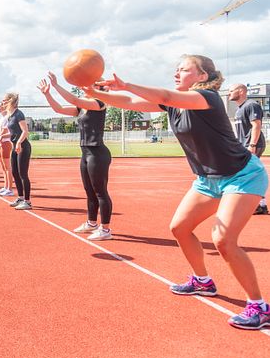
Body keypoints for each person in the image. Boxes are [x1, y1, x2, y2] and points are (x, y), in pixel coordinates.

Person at [88, 54, 269, 330]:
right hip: (208, 179)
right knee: (180, 228)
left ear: (202, 77)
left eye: (184, 70)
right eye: (176, 69)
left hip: (242, 176)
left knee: (222, 239)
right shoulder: (173, 105)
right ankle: (203, 281)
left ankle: (258, 306)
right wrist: (93, 91)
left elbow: (163, 94)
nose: (177, 73)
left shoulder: (208, 98)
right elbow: (128, 103)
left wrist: (124, 83)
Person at [39, 72, 112, 240]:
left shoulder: (99, 103)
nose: (86, 85)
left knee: (100, 192)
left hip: (97, 153)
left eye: (91, 83)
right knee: (89, 191)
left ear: (98, 88)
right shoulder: (82, 107)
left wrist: (57, 85)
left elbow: (74, 100)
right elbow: (58, 108)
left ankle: (106, 229)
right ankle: (91, 223)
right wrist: (48, 93)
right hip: (85, 153)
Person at [228, 83, 267, 215]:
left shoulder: (251, 105)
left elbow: (256, 125)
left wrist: (252, 145)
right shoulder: (240, 109)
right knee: (248, 174)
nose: (229, 93)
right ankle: (260, 205)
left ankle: (258, 205)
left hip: (252, 145)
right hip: (244, 145)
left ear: (241, 91)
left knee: (247, 174)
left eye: (231, 90)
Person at [3, 93, 32, 210]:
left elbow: (25, 131)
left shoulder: (19, 114)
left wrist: (19, 142)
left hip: (23, 146)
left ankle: (27, 201)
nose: (3, 102)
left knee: (23, 174)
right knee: (15, 173)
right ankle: (20, 197)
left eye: (5, 100)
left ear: (11, 101)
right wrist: (3, 135)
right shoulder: (10, 115)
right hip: (15, 146)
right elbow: (14, 131)